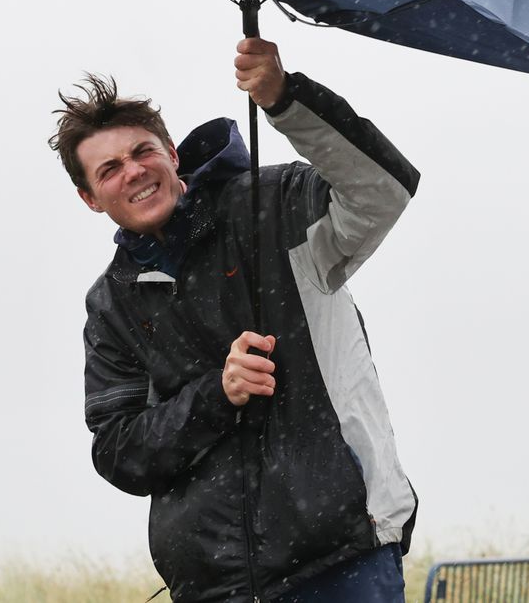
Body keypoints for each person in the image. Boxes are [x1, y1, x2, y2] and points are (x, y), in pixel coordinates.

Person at [48, 38, 419, 603]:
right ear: (89, 198)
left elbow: (383, 190)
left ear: (173, 154)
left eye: (143, 151)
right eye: (110, 169)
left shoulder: (279, 203)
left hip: (341, 558)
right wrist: (216, 395)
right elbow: (119, 452)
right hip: (212, 586)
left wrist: (285, 98)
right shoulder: (111, 306)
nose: (134, 172)